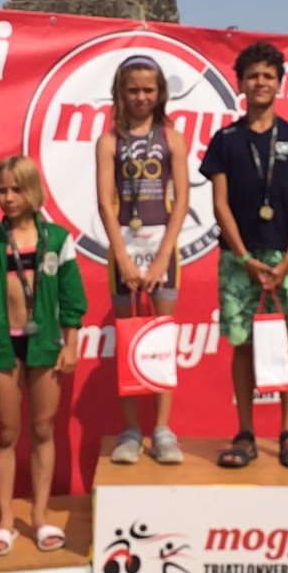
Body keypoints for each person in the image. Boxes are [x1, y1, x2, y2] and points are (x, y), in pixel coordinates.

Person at [201, 40, 288, 469]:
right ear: (240, 83)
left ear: (280, 83)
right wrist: (243, 258)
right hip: (238, 260)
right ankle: (246, 432)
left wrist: (287, 260)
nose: (260, 83)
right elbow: (220, 205)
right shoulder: (225, 140)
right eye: (252, 76)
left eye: (268, 76)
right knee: (242, 344)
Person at [0, 156, 87, 556]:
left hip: (46, 346)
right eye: (1, 190)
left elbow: (72, 298)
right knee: (7, 432)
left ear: (32, 190)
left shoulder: (59, 240)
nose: (9, 197)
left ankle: (39, 515)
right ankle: (3, 521)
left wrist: (71, 344)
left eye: (16, 189)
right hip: (3, 347)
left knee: (43, 429)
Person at [95, 55, 190, 464]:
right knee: (129, 339)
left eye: (149, 90)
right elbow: (105, 202)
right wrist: (123, 256)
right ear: (120, 92)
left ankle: (163, 430)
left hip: (163, 249)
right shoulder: (108, 141)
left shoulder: (173, 138)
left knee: (160, 340)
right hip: (123, 250)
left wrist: (162, 256)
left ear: (160, 93)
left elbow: (182, 200)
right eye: (133, 90)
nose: (141, 97)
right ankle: (131, 429)